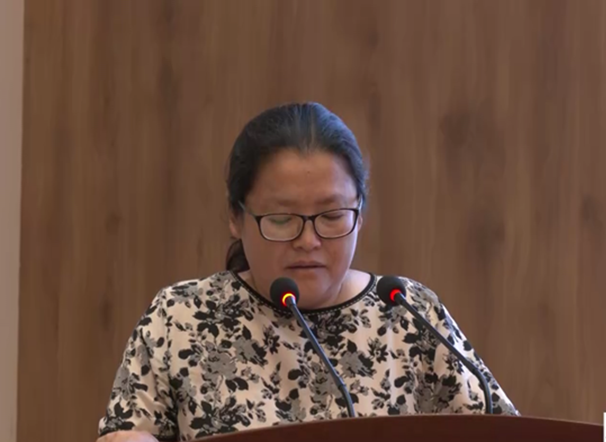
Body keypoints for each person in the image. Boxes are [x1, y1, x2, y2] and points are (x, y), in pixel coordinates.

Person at [97, 102, 519, 442]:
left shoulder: (407, 313)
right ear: (235, 217)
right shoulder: (181, 318)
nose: (308, 240)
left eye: (332, 216)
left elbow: (502, 430)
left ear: (359, 212)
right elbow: (131, 431)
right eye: (282, 219)